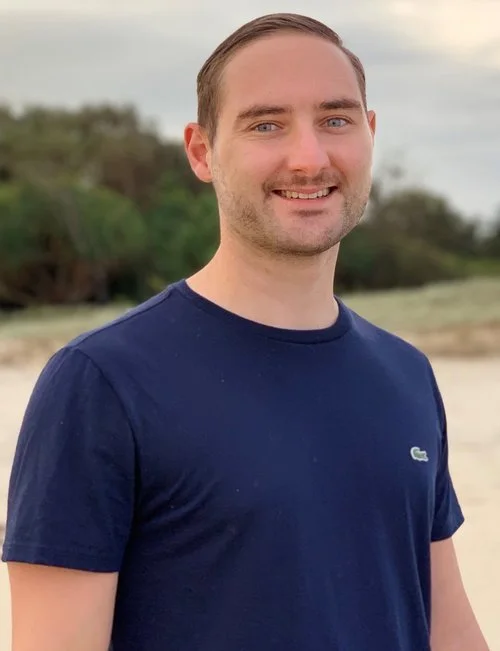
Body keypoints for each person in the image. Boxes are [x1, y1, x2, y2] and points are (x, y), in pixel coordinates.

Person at [1, 12, 490, 651]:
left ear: (370, 134)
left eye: (336, 119)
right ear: (202, 152)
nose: (309, 156)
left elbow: (447, 630)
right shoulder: (103, 383)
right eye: (266, 125)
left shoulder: (405, 374)